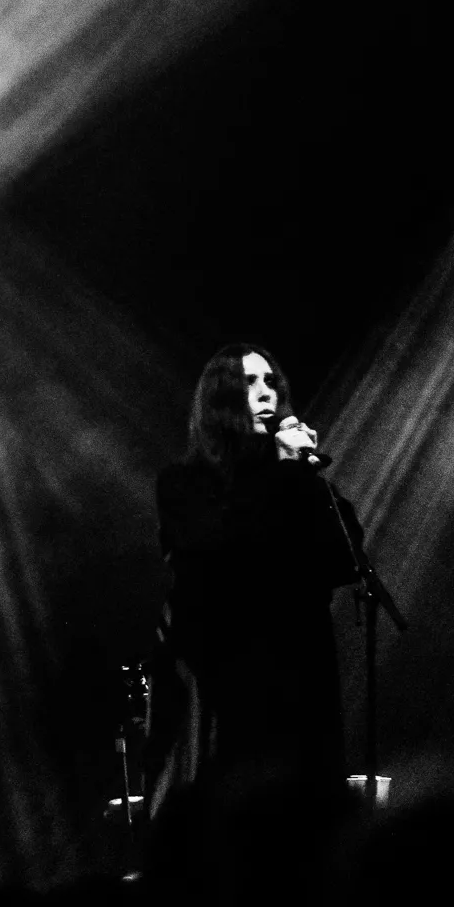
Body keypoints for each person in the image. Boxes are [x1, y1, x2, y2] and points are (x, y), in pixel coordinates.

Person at [150, 343, 362, 807]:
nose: (267, 392)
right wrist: (285, 473)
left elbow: (346, 557)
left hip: (307, 666)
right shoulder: (187, 483)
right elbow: (230, 556)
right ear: (219, 398)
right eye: (249, 383)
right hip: (239, 672)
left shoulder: (297, 475)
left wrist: (304, 475)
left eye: (271, 382)